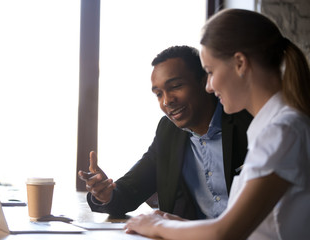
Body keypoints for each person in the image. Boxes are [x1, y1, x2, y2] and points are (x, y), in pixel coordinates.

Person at [125, 8, 310, 240]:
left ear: (240, 63)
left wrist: (156, 225)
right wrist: (181, 225)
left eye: (210, 72)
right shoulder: (275, 127)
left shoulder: (282, 131)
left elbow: (225, 232)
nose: (209, 86)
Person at [78, 46, 252, 220]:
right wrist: (105, 193)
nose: (167, 101)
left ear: (204, 81)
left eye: (175, 86)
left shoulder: (247, 122)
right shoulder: (169, 130)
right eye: (159, 94)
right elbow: (131, 190)